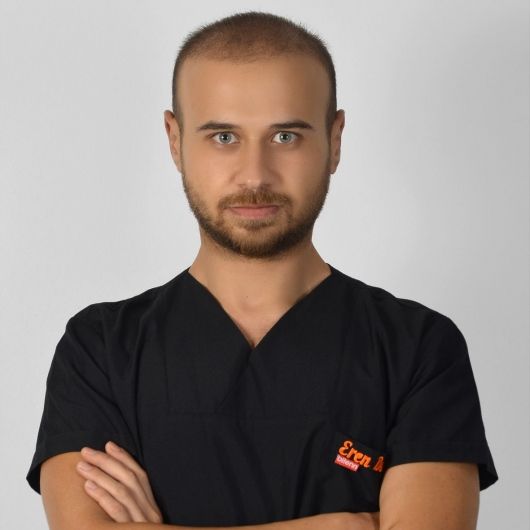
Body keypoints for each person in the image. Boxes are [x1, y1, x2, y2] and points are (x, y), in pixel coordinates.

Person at [26, 10, 498, 530]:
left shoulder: (418, 348)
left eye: (286, 137)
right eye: (224, 137)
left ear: (335, 139)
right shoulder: (99, 351)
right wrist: (340, 525)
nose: (255, 175)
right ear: (175, 140)